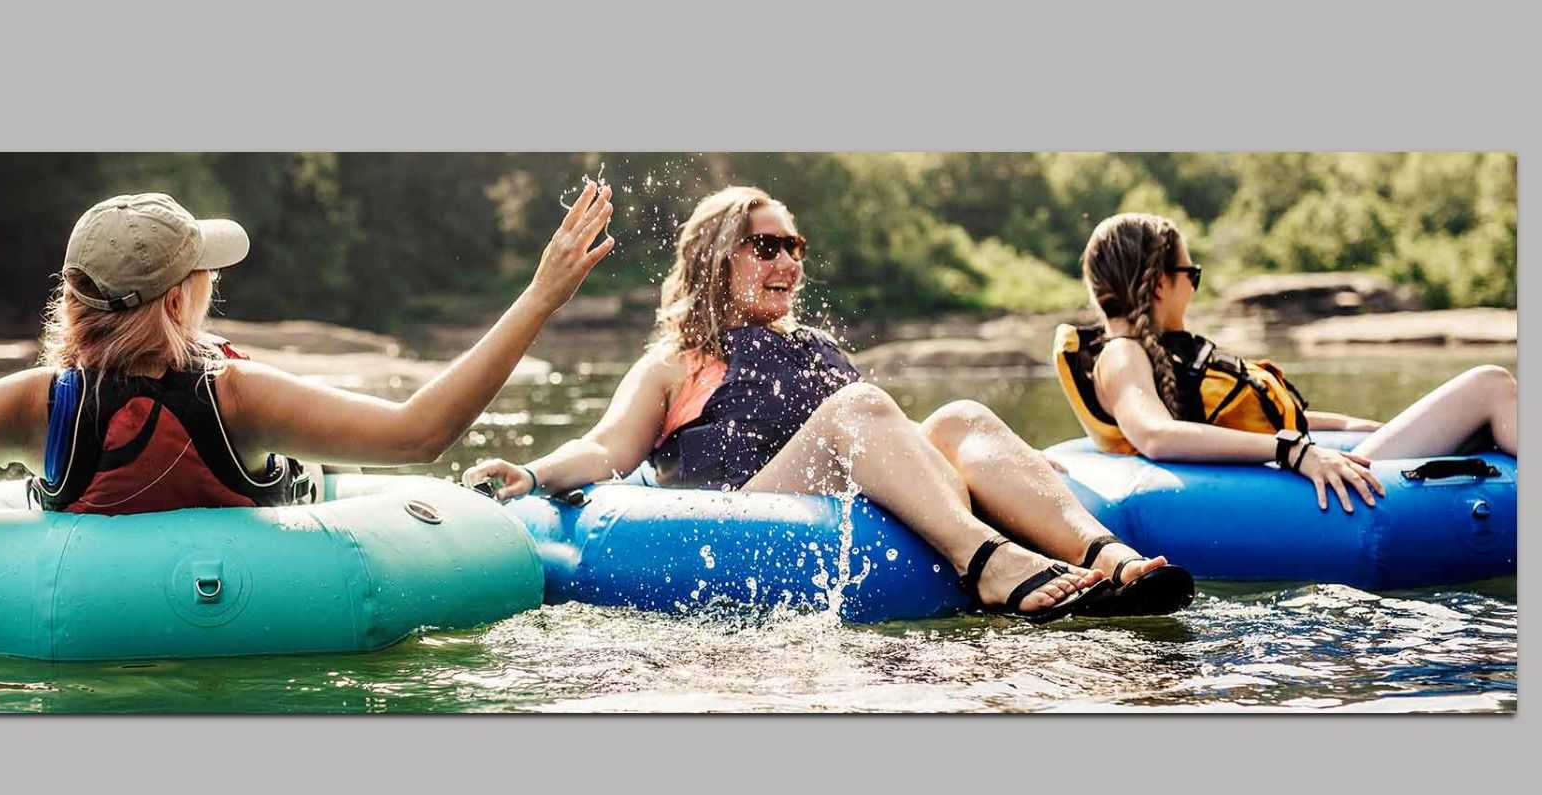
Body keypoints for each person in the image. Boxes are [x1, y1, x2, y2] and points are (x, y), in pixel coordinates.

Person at [0, 183, 617, 513]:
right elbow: (418, 436)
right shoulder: (238, 393)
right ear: (185, 292)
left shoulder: (40, 404)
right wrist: (538, 293)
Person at [463, 186, 1194, 622]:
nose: (788, 261)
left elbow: (901, 447)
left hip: (856, 505)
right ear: (716, 259)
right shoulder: (674, 365)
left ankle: (1112, 559)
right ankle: (991, 564)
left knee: (960, 417)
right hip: (755, 514)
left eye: (795, 245)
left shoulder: (813, 346)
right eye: (765, 245)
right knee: (860, 406)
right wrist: (533, 473)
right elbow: (605, 450)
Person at [1061, 212, 1517, 514]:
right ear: (1161, 284)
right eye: (1191, 275)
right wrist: (1292, 450)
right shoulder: (1123, 353)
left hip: (1305, 473)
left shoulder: (1158, 353)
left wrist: (1352, 424)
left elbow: (1231, 421)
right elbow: (1157, 435)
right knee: (1490, 384)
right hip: (1295, 492)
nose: (1195, 287)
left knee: (1478, 416)